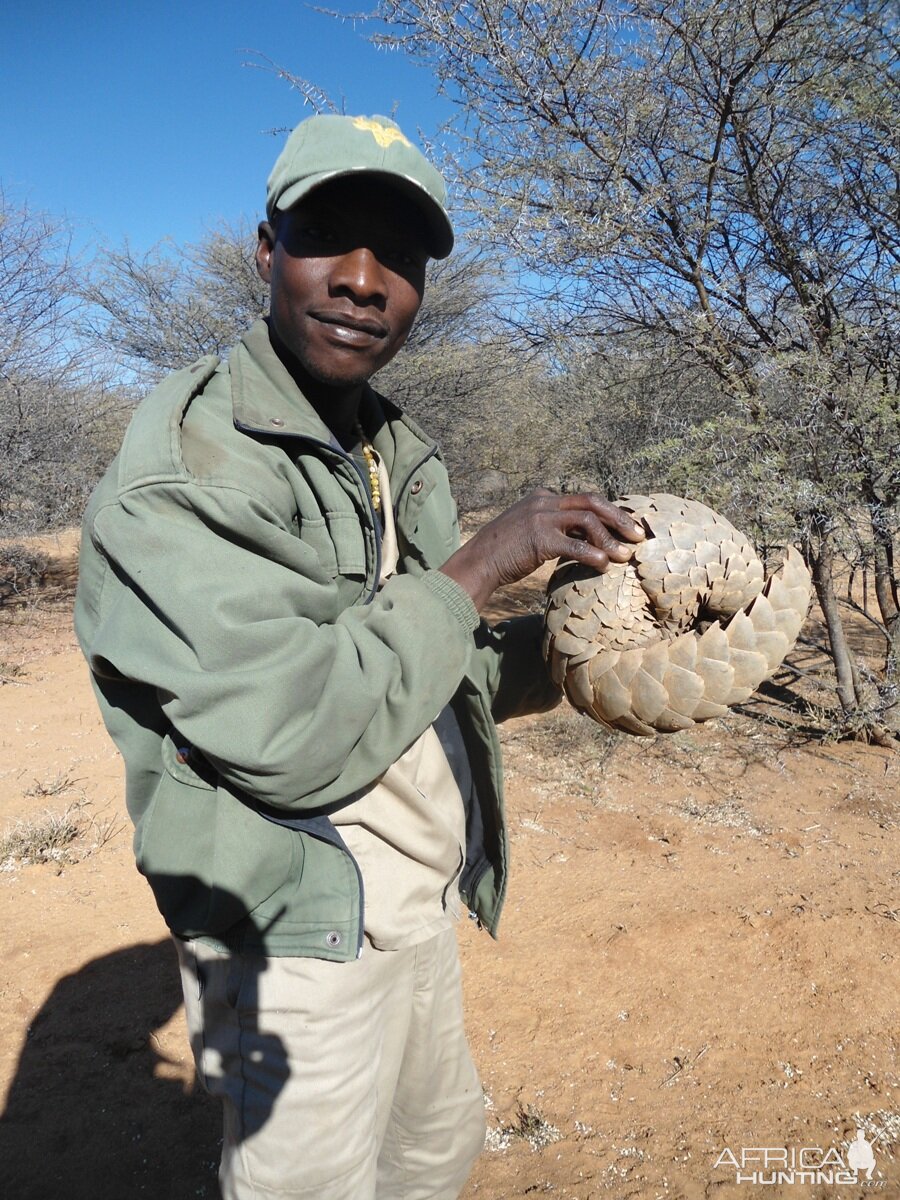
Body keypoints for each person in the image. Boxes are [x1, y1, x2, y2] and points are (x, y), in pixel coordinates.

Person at [75, 113, 644, 1200]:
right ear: (264, 249)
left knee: (432, 1158)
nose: (363, 280)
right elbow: (294, 734)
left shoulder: (387, 446)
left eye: (401, 255)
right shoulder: (188, 469)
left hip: (416, 902)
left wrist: (596, 646)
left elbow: (427, 668)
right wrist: (482, 561)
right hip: (295, 935)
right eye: (329, 234)